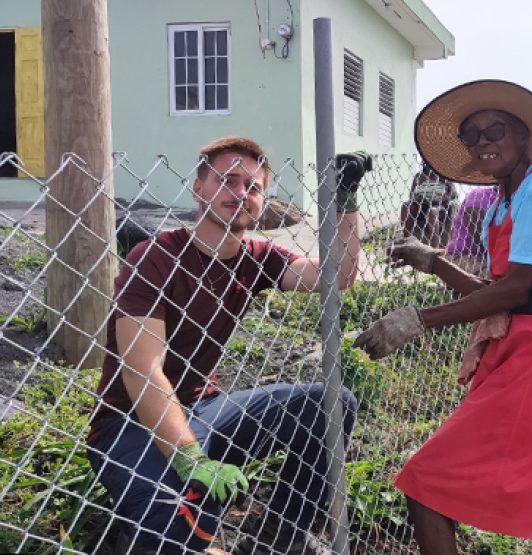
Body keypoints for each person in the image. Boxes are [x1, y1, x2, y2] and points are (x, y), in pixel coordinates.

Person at [353, 80, 532, 554]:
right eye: (474, 136)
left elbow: (517, 289)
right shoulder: (502, 201)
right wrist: (435, 261)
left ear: (523, 138)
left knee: (427, 481)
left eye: (496, 130)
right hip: (526, 344)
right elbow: (498, 293)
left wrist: (418, 320)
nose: (484, 142)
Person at [86, 136, 363, 554]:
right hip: (128, 422)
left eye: (252, 187)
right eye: (227, 180)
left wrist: (346, 200)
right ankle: (132, 528)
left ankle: (280, 535)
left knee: (333, 403)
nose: (240, 193)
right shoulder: (156, 256)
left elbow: (335, 277)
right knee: (177, 516)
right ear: (199, 189)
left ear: (262, 200)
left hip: (205, 407)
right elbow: (142, 371)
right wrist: (190, 460)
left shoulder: (256, 256)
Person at [443, 185, 498, 275]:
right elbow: (479, 236)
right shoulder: (481, 194)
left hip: (485, 256)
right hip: (463, 255)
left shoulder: (508, 201)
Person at [401, 162, 458, 247]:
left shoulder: (444, 176)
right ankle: (406, 238)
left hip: (441, 206)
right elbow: (411, 195)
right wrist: (419, 198)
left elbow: (454, 195)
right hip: (422, 205)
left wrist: (442, 199)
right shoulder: (419, 176)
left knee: (432, 211)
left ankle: (435, 247)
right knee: (406, 206)